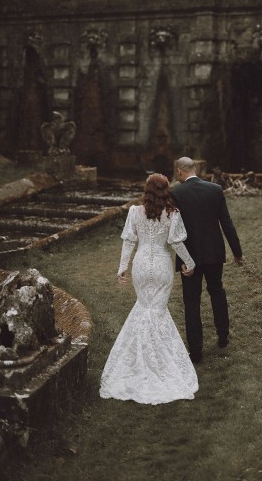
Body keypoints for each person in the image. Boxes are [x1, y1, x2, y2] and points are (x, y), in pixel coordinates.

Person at [100, 173, 198, 405]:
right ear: (166, 190)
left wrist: (123, 266)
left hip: (142, 265)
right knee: (157, 310)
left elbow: (129, 241)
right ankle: (159, 362)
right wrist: (190, 262)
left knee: (144, 308)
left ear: (146, 190)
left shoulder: (135, 212)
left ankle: (138, 360)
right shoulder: (172, 214)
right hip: (162, 265)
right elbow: (175, 241)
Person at [171, 157, 244, 364]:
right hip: (214, 252)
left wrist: (183, 257)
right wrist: (237, 252)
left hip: (189, 256)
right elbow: (226, 223)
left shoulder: (176, 193)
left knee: (191, 301)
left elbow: (175, 230)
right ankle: (223, 336)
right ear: (194, 169)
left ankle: (196, 351)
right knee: (217, 291)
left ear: (179, 171)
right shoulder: (215, 189)